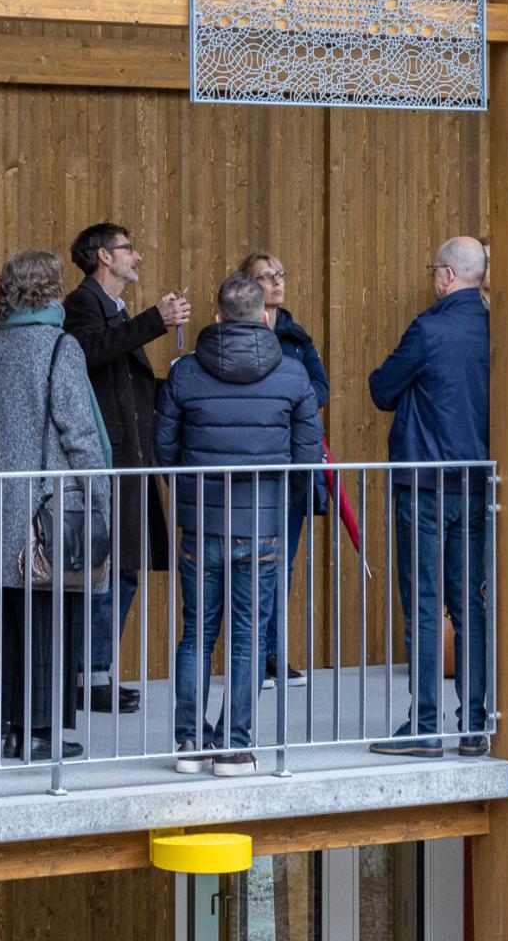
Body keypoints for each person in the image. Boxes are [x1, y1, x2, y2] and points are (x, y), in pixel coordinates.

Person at [156, 272, 322, 777]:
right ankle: (234, 747)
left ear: (217, 315)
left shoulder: (184, 373)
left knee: (196, 635)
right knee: (248, 637)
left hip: (201, 527)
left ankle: (190, 743)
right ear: (265, 317)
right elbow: (307, 457)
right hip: (263, 528)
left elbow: (163, 451)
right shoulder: (294, 376)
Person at [0, 249, 110, 762]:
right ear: (50, 290)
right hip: (49, 507)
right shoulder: (59, 347)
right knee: (52, 622)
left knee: (10, 622)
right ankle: (42, 734)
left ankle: (14, 729)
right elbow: (79, 432)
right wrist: (102, 496)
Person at [368, 236, 493, 759]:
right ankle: (476, 724)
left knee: (423, 605)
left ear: (445, 275)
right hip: (478, 484)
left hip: (424, 485)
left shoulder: (429, 327)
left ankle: (423, 726)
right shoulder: (494, 330)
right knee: (471, 605)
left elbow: (381, 389)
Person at [64, 222, 190, 714]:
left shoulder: (113, 310)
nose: (136, 256)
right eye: (127, 249)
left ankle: (95, 672)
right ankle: (85, 675)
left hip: (131, 462)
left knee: (126, 570)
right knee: (104, 572)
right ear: (102, 256)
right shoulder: (82, 304)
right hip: (109, 463)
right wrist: (154, 321)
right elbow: (88, 354)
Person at [241, 251, 328, 689]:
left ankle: (274, 654)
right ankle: (250, 656)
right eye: (265, 276)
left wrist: (287, 397)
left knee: (283, 563)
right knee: (249, 563)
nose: (276, 282)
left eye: (280, 273)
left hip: (292, 464)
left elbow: (321, 388)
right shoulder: (233, 334)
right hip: (251, 463)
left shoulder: (296, 335)